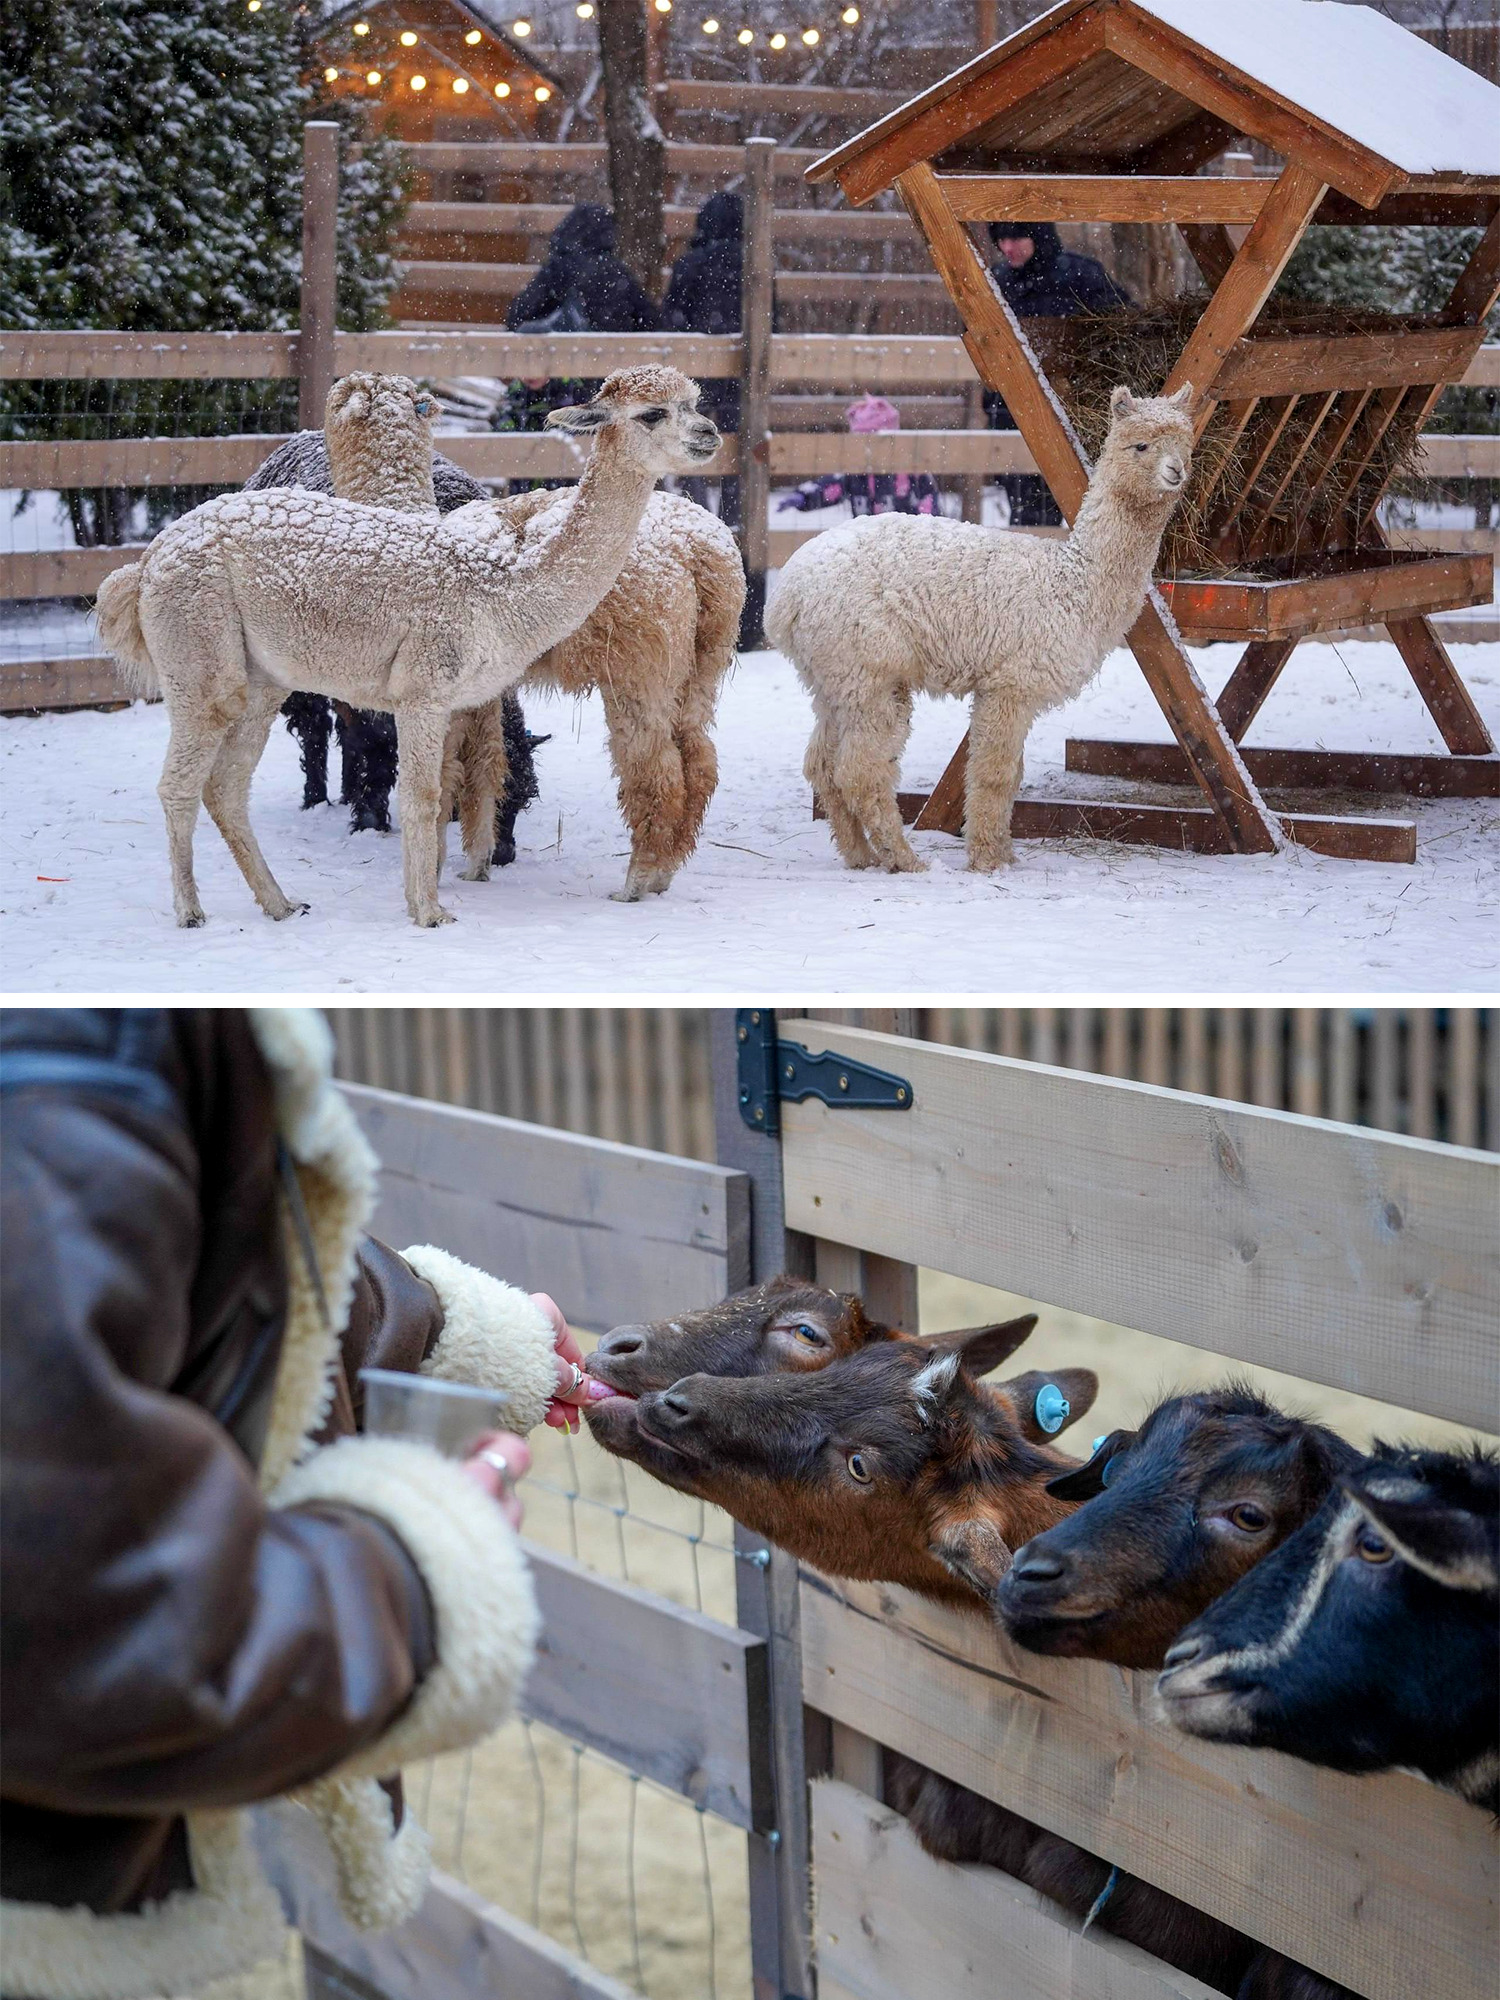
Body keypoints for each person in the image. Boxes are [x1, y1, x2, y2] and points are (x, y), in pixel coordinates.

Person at [0, 1007, 605, 1999]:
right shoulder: (81, 1035)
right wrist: (414, 1571)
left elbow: (193, 1245)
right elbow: (78, 1617)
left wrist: (449, 1326)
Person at [984, 221, 1133, 526]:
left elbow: (1124, 328)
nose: (1007, 248)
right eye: (1001, 240)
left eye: (1017, 238)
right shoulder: (996, 282)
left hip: (1074, 413)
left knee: (1090, 512)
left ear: (1037, 236)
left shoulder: (1081, 276)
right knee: (1028, 516)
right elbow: (982, 347)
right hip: (1013, 415)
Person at [662, 191, 744, 524]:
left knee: (690, 444)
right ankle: (735, 523)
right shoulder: (753, 264)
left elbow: (670, 317)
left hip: (695, 369)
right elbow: (772, 319)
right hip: (742, 369)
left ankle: (699, 519)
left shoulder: (689, 263)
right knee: (739, 448)